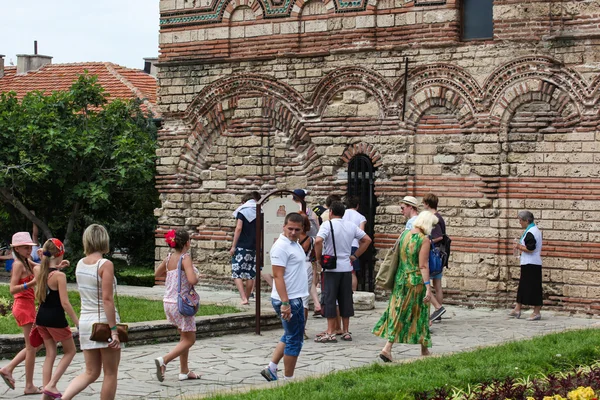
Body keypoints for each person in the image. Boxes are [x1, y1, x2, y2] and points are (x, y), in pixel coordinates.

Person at [61, 224, 121, 400]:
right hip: (103, 322)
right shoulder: (105, 264)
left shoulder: (80, 264)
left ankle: (64, 398)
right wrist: (114, 330)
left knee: (90, 372)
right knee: (110, 373)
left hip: (86, 322)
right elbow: (107, 299)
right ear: (104, 239)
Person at [372, 210, 438, 361]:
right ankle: (387, 348)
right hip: (415, 281)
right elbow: (423, 265)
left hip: (400, 279)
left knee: (398, 310)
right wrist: (428, 286)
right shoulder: (423, 240)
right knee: (416, 313)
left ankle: (424, 349)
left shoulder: (404, 235)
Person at [260, 213, 309, 382]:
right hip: (288, 299)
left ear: (302, 229)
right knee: (295, 339)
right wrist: (285, 303)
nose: (293, 232)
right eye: (290, 229)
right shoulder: (281, 247)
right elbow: (277, 276)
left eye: (297, 229)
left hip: (295, 297)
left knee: (291, 334)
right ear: (284, 227)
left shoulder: (294, 244)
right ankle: (289, 379)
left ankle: (271, 368)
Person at [314, 201, 371, 343]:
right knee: (345, 299)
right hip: (346, 267)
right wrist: (355, 255)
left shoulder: (327, 224)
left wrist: (318, 258)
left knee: (329, 299)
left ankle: (330, 331)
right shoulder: (351, 226)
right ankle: (346, 331)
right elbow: (367, 239)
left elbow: (318, 241)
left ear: (331, 212)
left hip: (331, 268)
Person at [34, 238, 79, 399]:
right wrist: (77, 322)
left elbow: (49, 270)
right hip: (56, 319)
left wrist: (59, 265)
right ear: (60, 254)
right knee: (70, 351)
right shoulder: (59, 276)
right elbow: (65, 303)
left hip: (41, 318)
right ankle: (52, 385)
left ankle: (47, 391)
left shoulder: (40, 271)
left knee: (50, 353)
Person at [154, 229, 201, 382]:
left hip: (168, 301)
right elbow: (192, 280)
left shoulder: (169, 258)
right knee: (190, 339)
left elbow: (157, 274)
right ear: (187, 243)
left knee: (183, 335)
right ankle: (164, 361)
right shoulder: (185, 258)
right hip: (181, 303)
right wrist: (197, 276)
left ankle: (184, 371)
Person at [0, 232, 42, 395]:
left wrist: (44, 257)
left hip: (28, 306)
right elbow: (12, 289)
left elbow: (40, 268)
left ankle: (8, 368)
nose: (28, 250)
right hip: (23, 306)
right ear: (17, 248)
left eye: (29, 247)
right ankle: (29, 385)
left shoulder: (26, 261)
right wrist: (30, 284)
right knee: (32, 346)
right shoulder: (18, 264)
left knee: (36, 345)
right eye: (25, 247)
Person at [509, 211, 543, 321]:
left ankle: (536, 312)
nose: (519, 223)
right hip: (528, 263)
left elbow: (530, 248)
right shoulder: (532, 230)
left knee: (534, 288)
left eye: (520, 220)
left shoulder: (531, 232)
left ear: (526, 221)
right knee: (523, 287)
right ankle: (517, 309)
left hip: (531, 263)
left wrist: (518, 246)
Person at [230, 193, 259, 305]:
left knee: (236, 272)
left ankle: (243, 298)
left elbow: (239, 228)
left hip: (242, 246)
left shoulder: (242, 211)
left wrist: (233, 246)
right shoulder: (260, 212)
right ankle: (247, 296)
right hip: (254, 247)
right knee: (250, 273)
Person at [422, 193, 446, 322]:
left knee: (427, 284)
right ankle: (438, 313)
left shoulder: (434, 218)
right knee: (437, 284)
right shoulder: (438, 216)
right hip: (439, 254)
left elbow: (439, 236)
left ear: (427, 204)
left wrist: (428, 241)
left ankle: (437, 310)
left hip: (433, 255)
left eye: (424, 203)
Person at [297, 212, 319, 338]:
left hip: (296, 266)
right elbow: (314, 258)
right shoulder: (311, 240)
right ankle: (302, 329)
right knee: (304, 300)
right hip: (307, 266)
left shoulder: (292, 240)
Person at [343, 195, 367, 292]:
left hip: (342, 244)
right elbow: (361, 234)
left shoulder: (342, 214)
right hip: (354, 245)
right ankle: (353, 292)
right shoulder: (361, 217)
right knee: (352, 272)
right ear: (357, 206)